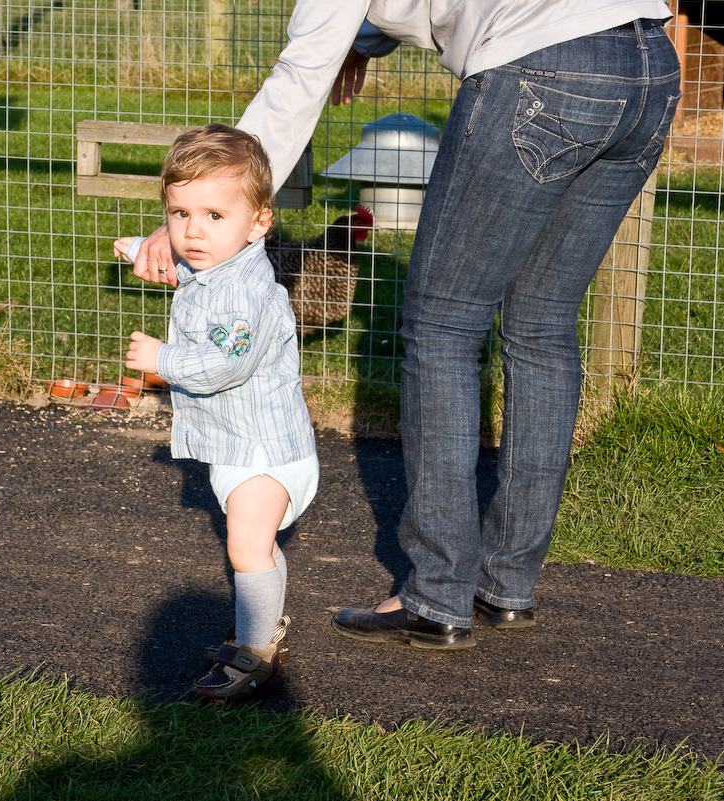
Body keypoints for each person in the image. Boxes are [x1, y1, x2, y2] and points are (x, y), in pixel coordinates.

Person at [130, 2, 680, 650]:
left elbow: (300, 79)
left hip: (540, 69)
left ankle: (436, 594)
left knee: (443, 327)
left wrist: (204, 207)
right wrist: (363, 37)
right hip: (645, 61)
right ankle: (505, 584)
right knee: (541, 325)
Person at [115, 124, 319, 699]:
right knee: (259, 545)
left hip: (263, 450)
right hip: (242, 443)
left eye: (213, 216)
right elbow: (193, 276)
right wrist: (139, 249)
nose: (192, 230)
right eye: (179, 214)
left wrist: (162, 358)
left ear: (258, 223)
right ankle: (265, 628)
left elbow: (224, 363)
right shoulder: (221, 269)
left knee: (245, 547)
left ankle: (251, 658)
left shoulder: (247, 294)